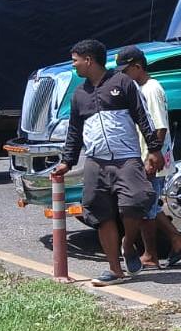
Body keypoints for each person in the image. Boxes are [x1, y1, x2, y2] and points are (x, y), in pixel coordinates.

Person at [48, 39, 163, 287]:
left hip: (126, 159)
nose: (74, 65)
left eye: (75, 60)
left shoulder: (123, 83)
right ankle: (114, 270)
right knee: (100, 213)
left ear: (89, 60)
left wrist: (154, 149)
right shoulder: (79, 94)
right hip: (95, 162)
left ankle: (128, 244)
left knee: (137, 200)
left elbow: (143, 116)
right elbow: (74, 132)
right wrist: (67, 162)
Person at [115, 45, 181, 273]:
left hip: (152, 156)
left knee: (146, 208)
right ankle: (177, 241)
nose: (123, 75)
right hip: (146, 154)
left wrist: (153, 155)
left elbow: (159, 127)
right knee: (147, 204)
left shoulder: (150, 90)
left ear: (138, 67)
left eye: (126, 70)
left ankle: (152, 254)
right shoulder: (142, 88)